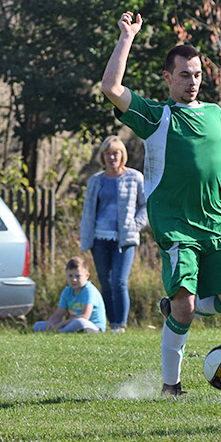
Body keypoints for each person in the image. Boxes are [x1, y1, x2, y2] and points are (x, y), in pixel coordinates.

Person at [101, 11, 221, 395]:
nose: (192, 81)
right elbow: (110, 86)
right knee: (184, 309)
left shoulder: (217, 116)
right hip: (176, 226)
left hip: (217, 224)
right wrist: (127, 38)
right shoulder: (156, 116)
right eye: (184, 74)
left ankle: (176, 308)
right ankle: (172, 386)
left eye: (197, 74)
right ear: (168, 78)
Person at [80, 135, 147, 333]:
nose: (111, 157)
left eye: (115, 153)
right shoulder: (96, 180)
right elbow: (88, 210)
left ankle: (121, 325)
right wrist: (86, 237)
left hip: (124, 239)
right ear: (103, 156)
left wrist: (135, 225)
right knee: (106, 283)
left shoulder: (134, 177)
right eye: (107, 154)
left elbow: (146, 206)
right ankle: (111, 324)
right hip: (100, 239)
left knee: (119, 281)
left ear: (122, 155)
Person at [33, 257, 107, 333]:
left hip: (92, 326)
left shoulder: (90, 291)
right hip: (72, 324)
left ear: (87, 276)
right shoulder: (67, 291)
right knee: (38, 325)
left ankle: (59, 332)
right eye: (70, 276)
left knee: (80, 322)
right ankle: (59, 331)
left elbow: (85, 316)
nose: (74, 279)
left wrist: (62, 324)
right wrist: (51, 323)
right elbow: (59, 314)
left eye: (78, 276)